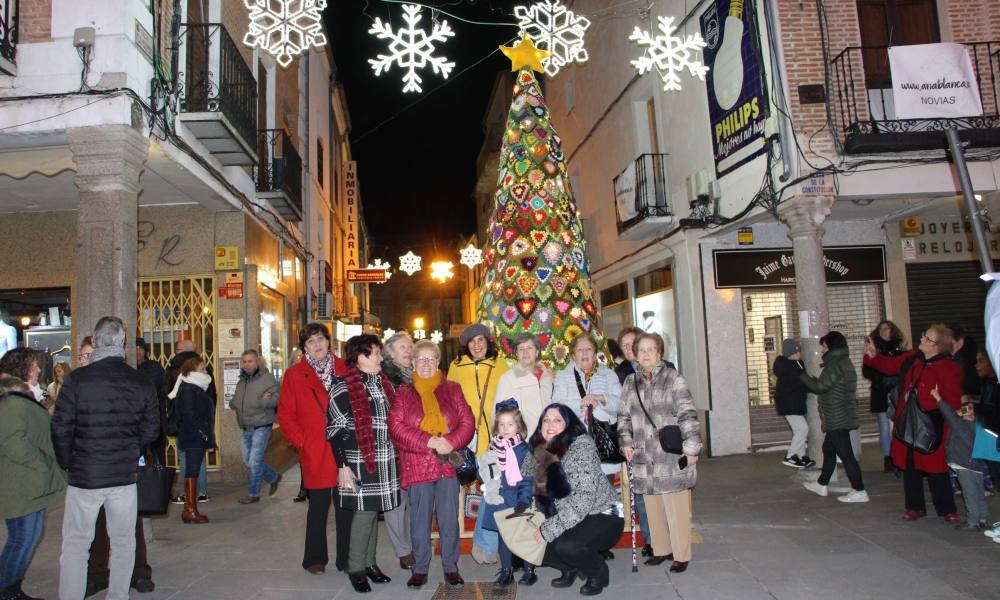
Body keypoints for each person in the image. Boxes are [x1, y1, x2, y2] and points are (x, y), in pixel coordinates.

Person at [50, 316, 160, 600]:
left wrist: (68, 461)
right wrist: (130, 451)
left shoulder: (76, 380)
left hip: (84, 476)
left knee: (76, 544)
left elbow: (60, 427)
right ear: (123, 343)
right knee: (124, 543)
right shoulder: (140, 381)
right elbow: (151, 429)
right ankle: (118, 596)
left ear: (96, 342)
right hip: (123, 476)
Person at [388, 339, 474, 589]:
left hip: (446, 464)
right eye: (420, 359)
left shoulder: (453, 389)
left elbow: (467, 422)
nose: (426, 363)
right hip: (418, 465)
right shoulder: (404, 393)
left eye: (431, 359)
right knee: (419, 520)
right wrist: (430, 441)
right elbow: (396, 427)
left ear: (438, 362)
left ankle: (451, 567)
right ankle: (420, 568)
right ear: (413, 362)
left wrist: (450, 442)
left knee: (449, 519)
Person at [618, 333, 702, 572]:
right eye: (641, 350)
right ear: (635, 353)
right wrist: (625, 441)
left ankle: (681, 554)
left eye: (650, 349)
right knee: (653, 506)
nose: (645, 354)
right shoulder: (630, 382)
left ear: (660, 353)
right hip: (643, 454)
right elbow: (623, 416)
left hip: (670, 454)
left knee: (675, 506)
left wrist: (692, 448)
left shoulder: (673, 378)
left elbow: (687, 414)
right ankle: (661, 549)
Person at [523, 404, 624, 595]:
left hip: (604, 513)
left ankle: (598, 573)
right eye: (546, 420)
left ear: (569, 424)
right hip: (569, 514)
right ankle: (569, 567)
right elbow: (525, 483)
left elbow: (582, 502)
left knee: (567, 545)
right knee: (529, 542)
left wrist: (549, 529)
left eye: (557, 420)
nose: (550, 424)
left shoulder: (581, 448)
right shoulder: (537, 448)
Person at [864, 323, 962, 521]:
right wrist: (873, 356)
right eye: (924, 335)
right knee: (911, 466)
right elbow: (890, 366)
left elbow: (952, 400)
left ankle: (947, 509)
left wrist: (934, 402)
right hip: (910, 419)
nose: (922, 340)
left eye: (928, 339)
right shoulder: (913, 358)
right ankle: (914, 506)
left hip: (934, 423)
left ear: (938, 346)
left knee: (937, 467)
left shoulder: (949, 368)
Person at [327, 334, 400, 593]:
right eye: (376, 353)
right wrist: (342, 465)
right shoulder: (343, 386)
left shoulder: (382, 383)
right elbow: (335, 430)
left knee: (374, 510)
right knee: (364, 512)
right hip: (358, 459)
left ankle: (370, 563)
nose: (381, 357)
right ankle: (356, 567)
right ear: (360, 357)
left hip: (385, 458)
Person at [277, 322, 350, 574]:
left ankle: (347, 558)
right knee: (318, 507)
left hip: (344, 447)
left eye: (320, 339)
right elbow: (286, 416)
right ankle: (315, 558)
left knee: (346, 507)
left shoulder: (345, 369)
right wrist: (303, 441)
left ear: (328, 341)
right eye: (311, 341)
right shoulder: (295, 375)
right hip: (315, 448)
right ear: (304, 347)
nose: (317, 345)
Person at [0, 375, 66, 600]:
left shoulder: (17, 404)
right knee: (22, 537)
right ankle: (6, 589)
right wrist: (41, 463)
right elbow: (13, 442)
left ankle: (12, 587)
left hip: (29, 484)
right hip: (20, 485)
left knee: (30, 535)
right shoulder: (11, 403)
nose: (37, 373)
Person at [447, 323, 508, 564]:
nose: (477, 344)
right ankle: (453, 541)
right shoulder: (456, 367)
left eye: (481, 340)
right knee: (459, 487)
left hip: (493, 438)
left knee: (492, 491)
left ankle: (485, 546)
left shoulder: (500, 365)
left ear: (488, 342)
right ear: (467, 346)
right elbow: (449, 401)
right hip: (465, 437)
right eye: (472, 341)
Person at [800, 331, 868, 503]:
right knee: (829, 449)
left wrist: (802, 377)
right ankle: (822, 484)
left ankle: (859, 490)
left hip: (837, 416)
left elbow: (821, 386)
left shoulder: (834, 364)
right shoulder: (844, 362)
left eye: (823, 346)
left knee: (846, 455)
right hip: (841, 413)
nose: (821, 350)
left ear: (829, 346)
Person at [481, 400, 537, 587]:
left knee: (523, 536)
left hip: (519, 498)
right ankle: (507, 571)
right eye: (502, 424)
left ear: (518, 427)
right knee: (503, 537)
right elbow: (487, 472)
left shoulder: (525, 450)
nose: (505, 428)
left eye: (510, 424)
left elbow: (528, 477)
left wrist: (524, 500)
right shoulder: (493, 448)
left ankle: (529, 570)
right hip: (500, 498)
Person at [552, 334, 623, 478]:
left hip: (604, 451)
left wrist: (601, 399)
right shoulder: (562, 377)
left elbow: (622, 405)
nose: (584, 353)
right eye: (580, 350)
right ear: (573, 355)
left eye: (588, 349)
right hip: (574, 450)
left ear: (595, 353)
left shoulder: (609, 375)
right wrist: (581, 404)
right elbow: (555, 408)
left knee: (606, 497)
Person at [379, 331, 415, 570]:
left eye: (410, 346)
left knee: (415, 499)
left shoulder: (416, 376)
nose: (408, 350)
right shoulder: (385, 380)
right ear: (390, 353)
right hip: (393, 448)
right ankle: (403, 550)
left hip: (416, 447)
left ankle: (414, 543)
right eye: (402, 347)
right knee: (396, 501)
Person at [167, 355, 215, 523]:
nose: (206, 371)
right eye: (202, 368)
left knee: (192, 471)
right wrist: (203, 432)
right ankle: (190, 509)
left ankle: (190, 508)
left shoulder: (194, 387)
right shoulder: (189, 389)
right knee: (192, 471)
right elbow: (189, 415)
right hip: (193, 437)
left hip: (194, 436)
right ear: (192, 371)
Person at [933, 393, 990, 531]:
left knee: (969, 494)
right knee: (979, 494)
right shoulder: (979, 426)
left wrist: (938, 398)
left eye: (965, 408)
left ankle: (973, 522)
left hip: (965, 465)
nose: (963, 410)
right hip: (977, 465)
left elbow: (949, 414)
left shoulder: (960, 425)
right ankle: (984, 518)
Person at [231, 349, 282, 504]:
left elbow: (277, 398)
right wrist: (234, 404)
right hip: (246, 426)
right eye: (244, 361)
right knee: (249, 461)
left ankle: (253, 494)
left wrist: (264, 401)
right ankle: (273, 477)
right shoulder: (242, 381)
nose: (247, 364)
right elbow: (236, 400)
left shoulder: (267, 379)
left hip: (262, 425)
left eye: (250, 361)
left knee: (254, 461)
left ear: (257, 361)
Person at [862, 320, 907, 473]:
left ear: (892, 330)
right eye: (881, 328)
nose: (883, 330)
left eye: (886, 328)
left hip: (897, 391)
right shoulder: (874, 349)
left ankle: (898, 456)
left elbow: (903, 368)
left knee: (899, 423)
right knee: (884, 425)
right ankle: (888, 457)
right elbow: (866, 371)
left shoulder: (899, 347)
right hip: (880, 391)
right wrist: (880, 377)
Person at [494, 333, 553, 436]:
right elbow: (497, 414)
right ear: (516, 353)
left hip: (548, 439)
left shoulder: (547, 376)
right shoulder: (508, 379)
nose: (525, 352)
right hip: (522, 442)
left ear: (537, 352)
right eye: (521, 349)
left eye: (529, 348)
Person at [772, 339, 815, 469]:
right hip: (789, 404)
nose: (798, 354)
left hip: (794, 402)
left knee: (799, 430)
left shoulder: (796, 363)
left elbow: (803, 381)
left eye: (798, 351)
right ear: (789, 353)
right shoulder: (789, 366)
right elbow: (802, 381)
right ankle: (790, 456)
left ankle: (801, 457)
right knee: (803, 429)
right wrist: (815, 386)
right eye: (796, 352)